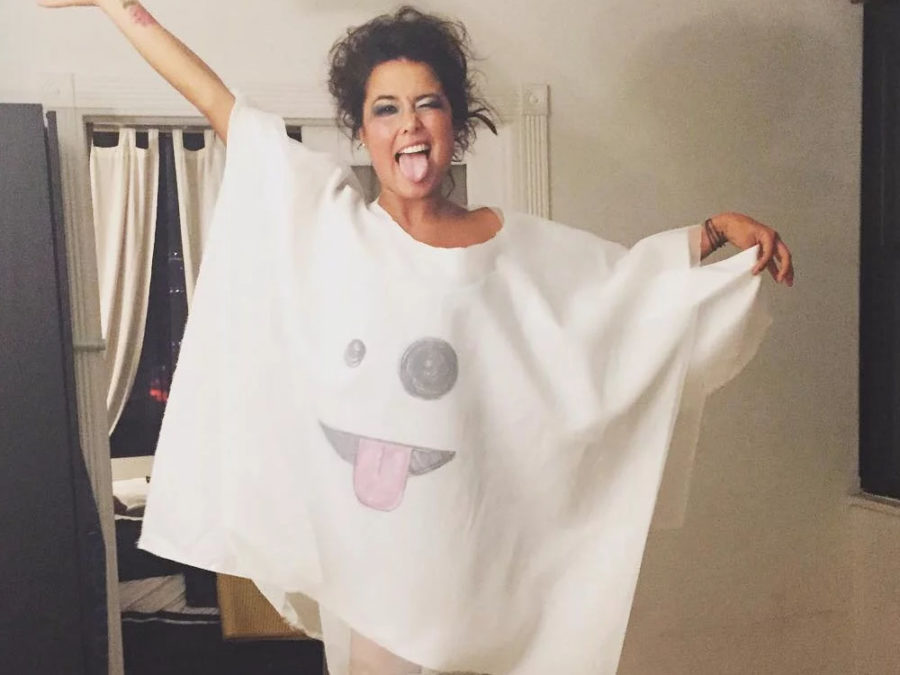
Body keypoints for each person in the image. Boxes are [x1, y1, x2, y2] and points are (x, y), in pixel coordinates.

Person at [39, 3, 795, 674]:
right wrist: (118, 4)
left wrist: (711, 233)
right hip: (379, 571)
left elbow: (620, 295)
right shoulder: (332, 227)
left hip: (481, 559)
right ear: (362, 131)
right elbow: (217, 101)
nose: (409, 124)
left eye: (428, 104)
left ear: (455, 124)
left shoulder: (510, 245)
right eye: (386, 108)